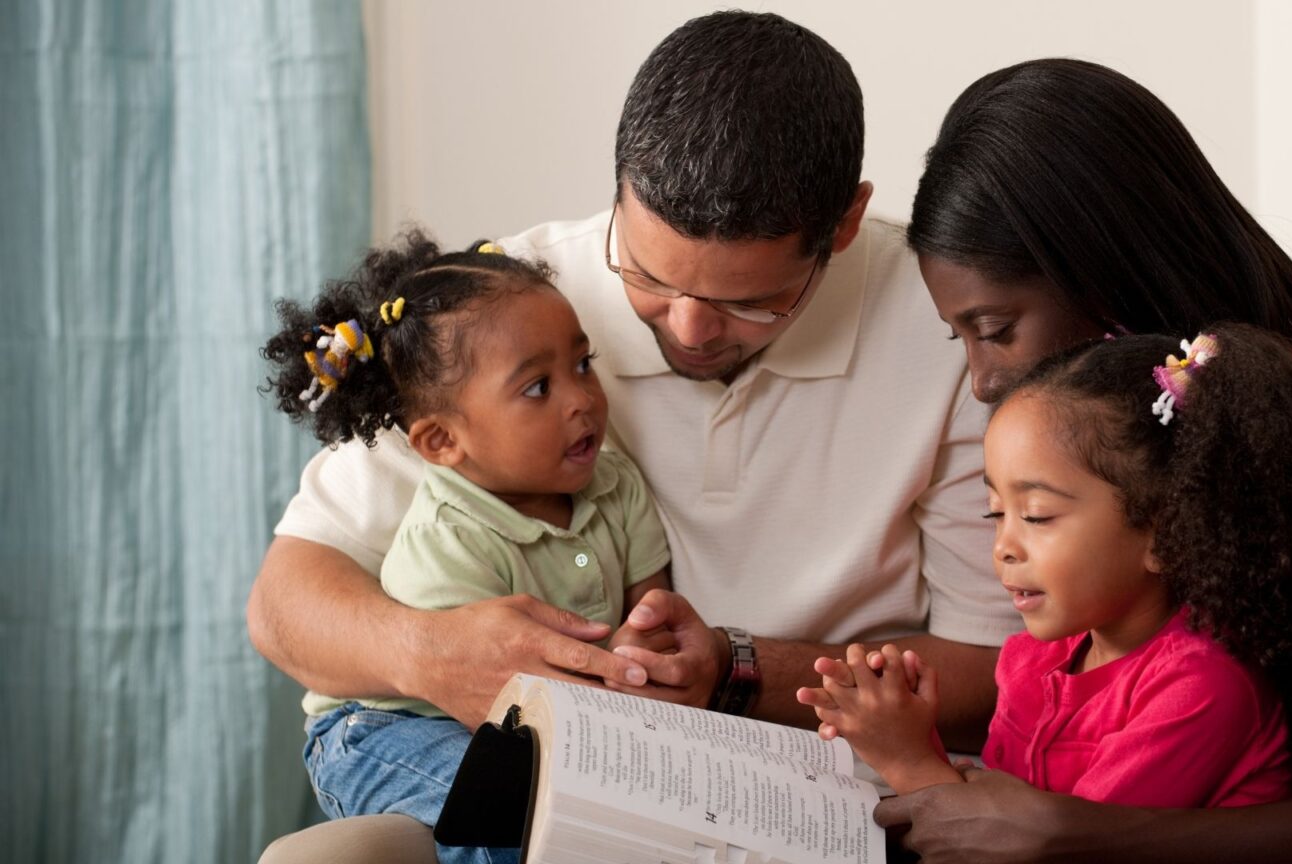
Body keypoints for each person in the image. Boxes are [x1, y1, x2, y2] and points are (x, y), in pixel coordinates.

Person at [251, 12, 1008, 862]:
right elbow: (285, 603)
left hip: (815, 792)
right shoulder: (511, 311)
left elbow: (991, 675)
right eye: (648, 275)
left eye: (748, 302)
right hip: (592, 771)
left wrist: (736, 672)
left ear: (841, 225)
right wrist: (429, 654)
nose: (687, 328)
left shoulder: (946, 325)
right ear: (618, 189)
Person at [875, 58, 1292, 863]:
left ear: (1102, 269)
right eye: (962, 338)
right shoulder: (1096, 462)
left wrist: (1071, 834)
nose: (980, 382)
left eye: (997, 328)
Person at [802, 326, 1292, 809]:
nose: (1004, 547)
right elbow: (997, 810)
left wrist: (908, 761)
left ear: (1166, 533)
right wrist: (911, 729)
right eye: (995, 513)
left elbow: (1047, 851)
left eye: (1035, 516)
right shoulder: (1034, 659)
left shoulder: (1202, 687)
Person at [261, 233, 671, 862]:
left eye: (582, 364)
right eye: (538, 388)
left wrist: (646, 646)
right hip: (385, 727)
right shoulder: (447, 543)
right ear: (442, 443)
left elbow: (653, 607)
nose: (581, 398)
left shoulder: (616, 486)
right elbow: (488, 705)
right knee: (507, 808)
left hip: (516, 718)